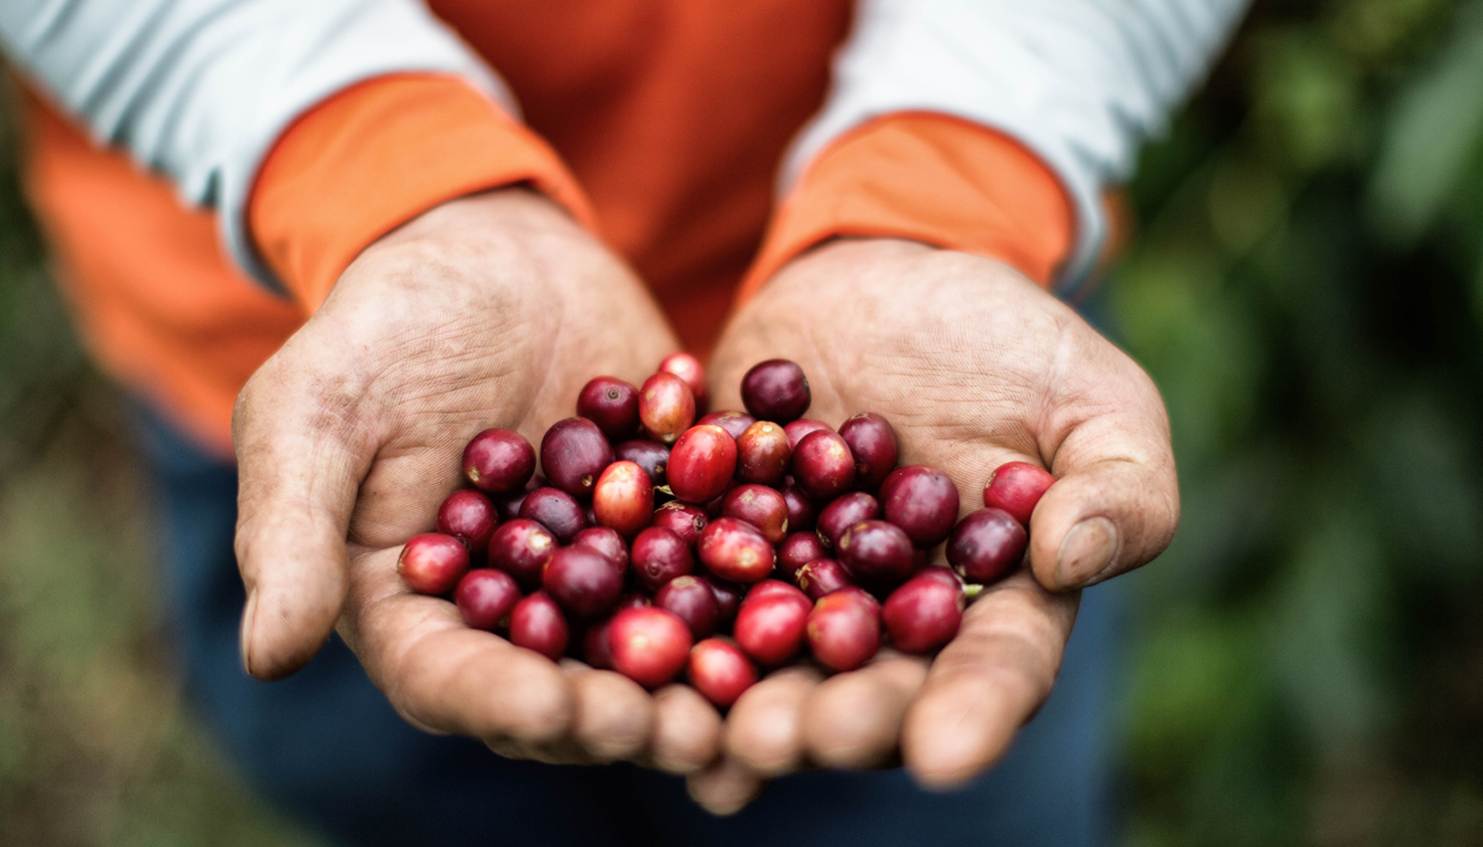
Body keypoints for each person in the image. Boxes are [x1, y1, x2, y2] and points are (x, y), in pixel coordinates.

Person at [1, 1, 1248, 844]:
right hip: (337, 317)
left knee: (931, 797)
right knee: (396, 781)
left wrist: (953, 173)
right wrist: (358, 158)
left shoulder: (727, 498)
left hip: (932, 284)